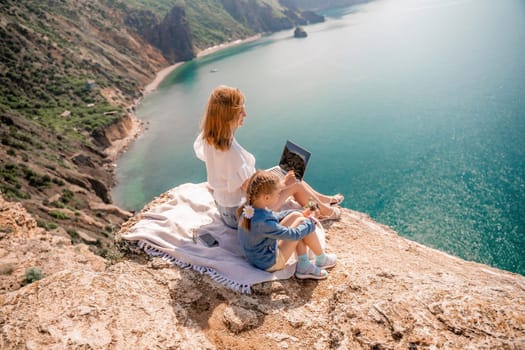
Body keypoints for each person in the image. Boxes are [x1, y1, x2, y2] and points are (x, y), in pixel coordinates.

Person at [194, 85, 343, 229]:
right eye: (241, 111)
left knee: (292, 176)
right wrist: (283, 184)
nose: (245, 114)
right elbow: (254, 192)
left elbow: (223, 167)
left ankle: (324, 200)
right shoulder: (233, 154)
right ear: (228, 116)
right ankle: (326, 212)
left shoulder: (207, 138)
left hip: (224, 206)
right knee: (295, 183)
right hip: (243, 215)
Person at [236, 170, 337, 279]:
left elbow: (274, 216)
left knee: (296, 216)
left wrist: (300, 213)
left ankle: (304, 263)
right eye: (278, 194)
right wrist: (312, 221)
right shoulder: (263, 222)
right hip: (269, 263)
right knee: (302, 223)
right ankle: (321, 258)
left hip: (259, 256)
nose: (279, 196)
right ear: (266, 198)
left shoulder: (249, 209)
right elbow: (294, 235)